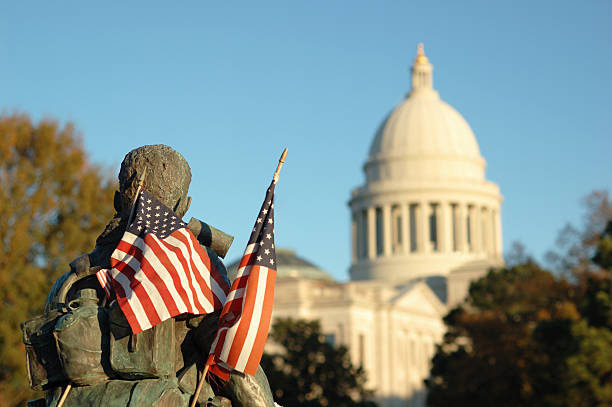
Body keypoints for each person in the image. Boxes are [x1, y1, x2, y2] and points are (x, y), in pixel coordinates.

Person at [27, 145, 275, 407]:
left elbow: (48, 376)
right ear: (183, 205)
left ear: (116, 200)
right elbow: (230, 357)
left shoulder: (71, 280)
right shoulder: (193, 266)